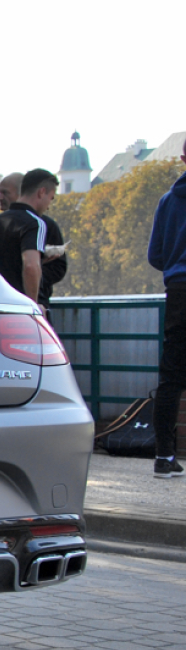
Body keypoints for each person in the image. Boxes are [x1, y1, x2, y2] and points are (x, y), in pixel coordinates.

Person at [0, 168, 66, 308]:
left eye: (5, 192)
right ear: (41, 192)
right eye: (50, 198)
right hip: (22, 307)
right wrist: (32, 307)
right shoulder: (35, 223)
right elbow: (31, 265)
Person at [148, 139, 186, 478]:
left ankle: (164, 457)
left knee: (171, 377)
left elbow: (155, 256)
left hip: (178, 291)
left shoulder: (168, 200)